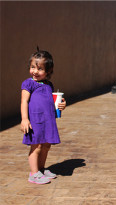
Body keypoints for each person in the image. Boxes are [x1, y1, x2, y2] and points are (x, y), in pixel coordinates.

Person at [20, 49, 66, 184]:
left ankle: (41, 169)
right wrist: (24, 119)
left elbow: (52, 102)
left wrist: (61, 105)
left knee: (46, 145)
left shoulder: (48, 85)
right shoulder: (28, 83)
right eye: (32, 67)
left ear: (48, 71)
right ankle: (34, 173)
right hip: (35, 120)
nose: (35, 71)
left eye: (40, 69)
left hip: (48, 120)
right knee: (36, 146)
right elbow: (24, 101)